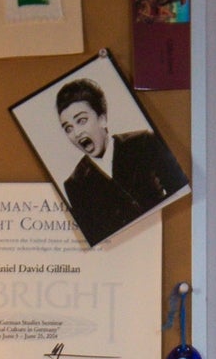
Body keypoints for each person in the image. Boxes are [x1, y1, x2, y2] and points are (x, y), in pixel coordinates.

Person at [51, 76, 184, 244]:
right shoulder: (74, 184)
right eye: (68, 128)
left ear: (102, 118)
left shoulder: (144, 142)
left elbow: (180, 191)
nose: (76, 133)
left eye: (81, 120)